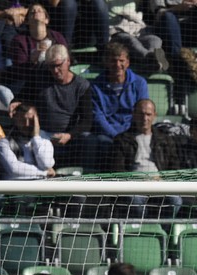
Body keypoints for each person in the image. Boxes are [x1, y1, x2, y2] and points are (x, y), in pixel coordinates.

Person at [85, 42, 149, 172]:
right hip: (108, 134)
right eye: (113, 61)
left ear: (128, 62)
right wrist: (116, 136)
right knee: (103, 144)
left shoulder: (139, 83)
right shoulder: (95, 86)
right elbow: (98, 117)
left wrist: (129, 136)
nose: (118, 65)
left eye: (122, 60)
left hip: (132, 131)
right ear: (106, 62)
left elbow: (142, 111)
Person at [28, 44, 93, 169]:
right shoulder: (41, 77)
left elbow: (87, 121)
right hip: (43, 133)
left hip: (69, 135)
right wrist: (17, 101)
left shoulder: (82, 86)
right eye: (51, 66)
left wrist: (69, 135)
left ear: (68, 61)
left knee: (89, 140)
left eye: (59, 65)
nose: (55, 70)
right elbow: (25, 94)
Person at [6, 3, 68, 95]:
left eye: (39, 11)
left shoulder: (57, 37)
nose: (35, 12)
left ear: (46, 19)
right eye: (32, 12)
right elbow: (19, 71)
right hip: (30, 85)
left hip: (55, 81)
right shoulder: (19, 40)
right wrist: (32, 59)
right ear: (27, 21)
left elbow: (66, 60)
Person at [106, 0, 169, 74]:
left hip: (137, 30)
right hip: (118, 31)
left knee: (155, 39)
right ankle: (151, 59)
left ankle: (152, 61)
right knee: (131, 40)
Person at [0, 102, 56, 179]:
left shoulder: (45, 142)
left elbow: (46, 164)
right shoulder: (4, 142)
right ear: (16, 119)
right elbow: (14, 169)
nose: (27, 124)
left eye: (31, 120)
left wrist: (36, 137)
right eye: (22, 120)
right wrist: (44, 172)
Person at [152, 0, 197, 64]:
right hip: (169, 27)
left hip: (193, 27)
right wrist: (178, 8)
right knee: (168, 16)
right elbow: (158, 13)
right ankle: (177, 59)